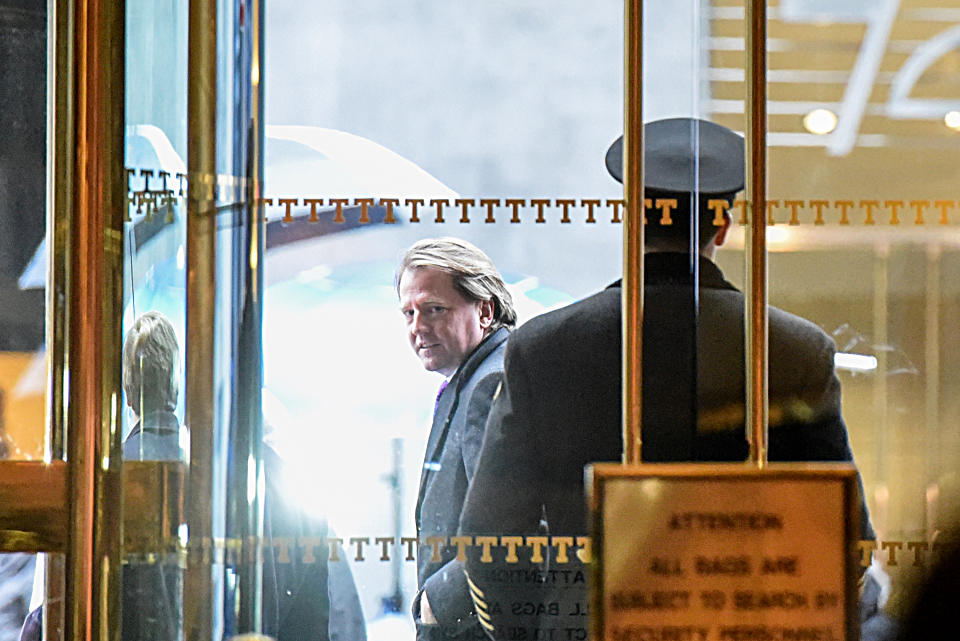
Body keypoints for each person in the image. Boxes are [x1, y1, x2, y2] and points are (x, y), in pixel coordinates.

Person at [458, 118, 875, 640]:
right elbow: (844, 537)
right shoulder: (793, 349)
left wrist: (543, 629)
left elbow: (489, 538)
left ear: (632, 220)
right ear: (722, 226)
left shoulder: (544, 347)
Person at [397, 238, 517, 640]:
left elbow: (513, 527)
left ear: (484, 310)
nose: (417, 327)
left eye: (434, 309)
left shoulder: (492, 382)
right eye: (409, 313)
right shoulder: (475, 378)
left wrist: (441, 600)